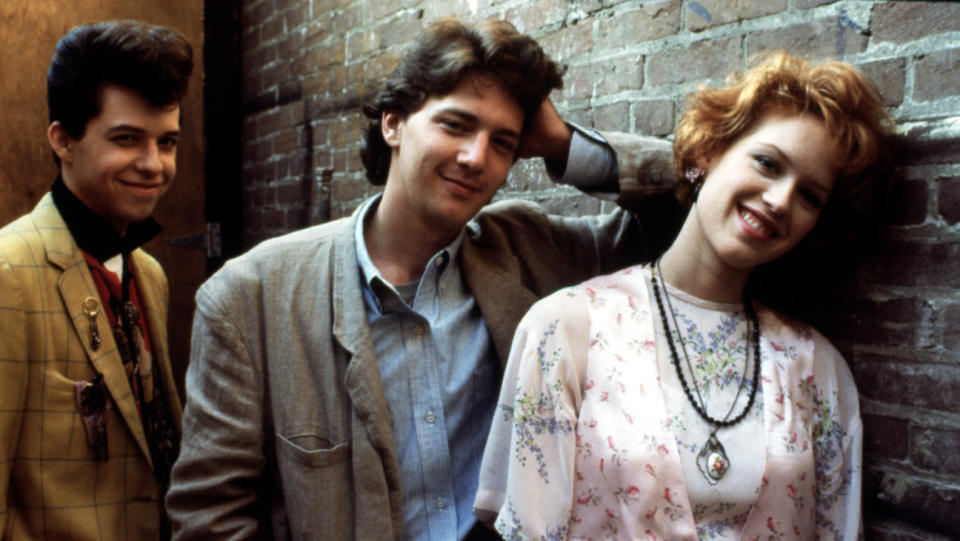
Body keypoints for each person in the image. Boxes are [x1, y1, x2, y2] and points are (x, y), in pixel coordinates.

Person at [166, 17, 674, 541]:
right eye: (456, 125)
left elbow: (692, 213)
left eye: (502, 142)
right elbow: (210, 517)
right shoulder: (250, 296)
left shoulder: (531, 252)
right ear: (393, 124)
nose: (476, 157)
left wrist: (563, 143)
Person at [475, 51, 890, 540]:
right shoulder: (566, 329)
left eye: (809, 196)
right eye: (767, 163)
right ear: (706, 154)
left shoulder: (817, 368)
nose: (780, 200)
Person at [0, 20, 193, 540]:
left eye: (167, 142)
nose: (154, 165)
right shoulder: (7, 274)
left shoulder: (148, 274)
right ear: (63, 140)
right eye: (127, 139)